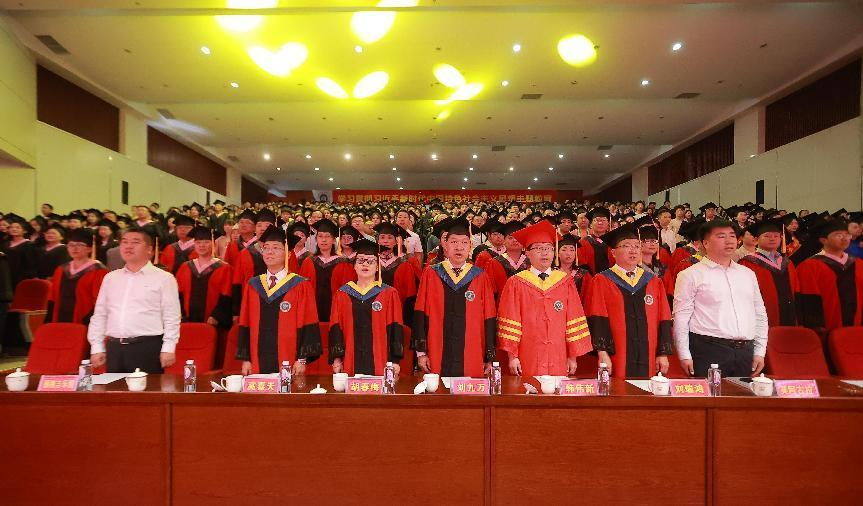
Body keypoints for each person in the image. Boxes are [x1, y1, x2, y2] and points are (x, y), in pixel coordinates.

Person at [672, 220, 768, 378]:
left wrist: (759, 351)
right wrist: (684, 354)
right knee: (711, 394)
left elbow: (760, 313)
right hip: (708, 349)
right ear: (706, 243)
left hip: (745, 351)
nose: (729, 241)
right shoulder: (690, 274)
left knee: (742, 394)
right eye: (721, 236)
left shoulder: (747, 274)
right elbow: (681, 317)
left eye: (732, 236)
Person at [497, 220, 592, 376]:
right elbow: (510, 320)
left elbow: (574, 319)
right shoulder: (515, 282)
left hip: (559, 355)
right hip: (527, 354)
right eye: (538, 248)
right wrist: (512, 357)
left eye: (548, 248)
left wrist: (572, 357)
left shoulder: (565, 281)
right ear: (527, 253)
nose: (544, 253)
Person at [87, 227, 181, 373]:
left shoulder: (164, 278)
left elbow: (171, 316)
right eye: (124, 242)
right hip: (114, 347)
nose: (128, 246)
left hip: (146, 347)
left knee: (147, 388)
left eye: (135, 242)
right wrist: (97, 346)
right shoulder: (111, 278)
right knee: (114, 388)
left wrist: (169, 348)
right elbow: (100, 314)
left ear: (149, 249)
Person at [413, 218, 497, 377]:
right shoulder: (431, 273)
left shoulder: (480, 276)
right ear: (445, 244)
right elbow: (420, 313)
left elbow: (489, 317)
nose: (459, 247)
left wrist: (489, 356)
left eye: (464, 242)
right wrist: (421, 352)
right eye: (454, 242)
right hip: (437, 350)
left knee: (469, 390)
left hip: (472, 352)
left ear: (470, 246)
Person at [586, 224, 673, 378]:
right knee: (618, 390)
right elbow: (597, 318)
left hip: (649, 355)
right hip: (616, 356)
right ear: (613, 252)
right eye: (626, 246)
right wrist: (602, 352)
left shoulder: (653, 281)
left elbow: (664, 318)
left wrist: (662, 353)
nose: (633, 250)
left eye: (637, 246)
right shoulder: (601, 280)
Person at [236, 225, 321, 375]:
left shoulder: (300, 285)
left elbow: (308, 323)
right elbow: (245, 322)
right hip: (257, 361)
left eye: (275, 248)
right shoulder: (253, 285)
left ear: (288, 254)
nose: (269, 252)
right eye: (266, 248)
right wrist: (246, 359)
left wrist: (301, 360)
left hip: (289, 361)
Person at [329, 239, 404, 376]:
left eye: (371, 261)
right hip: (350, 361)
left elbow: (396, 328)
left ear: (377, 267)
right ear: (354, 266)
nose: (365, 264)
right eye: (360, 261)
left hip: (380, 361)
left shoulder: (389, 293)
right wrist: (337, 358)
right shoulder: (342, 294)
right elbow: (336, 327)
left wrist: (395, 361)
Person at [796, 219, 863, 331]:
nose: (845, 238)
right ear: (823, 240)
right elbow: (808, 301)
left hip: (857, 330)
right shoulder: (809, 266)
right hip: (826, 330)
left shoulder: (858, 263)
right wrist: (816, 327)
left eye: (847, 235)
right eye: (838, 235)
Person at [738, 219, 800, 327]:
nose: (772, 239)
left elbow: (796, 289)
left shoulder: (787, 263)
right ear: (756, 240)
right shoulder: (747, 263)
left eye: (776, 236)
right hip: (762, 321)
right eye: (767, 236)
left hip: (791, 317)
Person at [45, 228, 107, 324]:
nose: (74, 248)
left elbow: (100, 302)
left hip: (85, 321)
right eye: (71, 245)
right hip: (60, 320)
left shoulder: (98, 271)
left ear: (90, 248)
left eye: (79, 245)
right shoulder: (61, 269)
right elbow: (52, 297)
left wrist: (89, 322)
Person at [175, 226, 233, 328]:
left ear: (213, 243)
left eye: (206, 242)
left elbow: (226, 296)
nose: (202, 245)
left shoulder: (224, 268)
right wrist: (181, 314)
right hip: (187, 321)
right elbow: (178, 294)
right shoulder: (185, 267)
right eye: (198, 242)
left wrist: (216, 316)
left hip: (212, 322)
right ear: (194, 244)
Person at [299, 219, 353, 322]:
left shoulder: (343, 263)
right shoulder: (308, 262)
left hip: (336, 313)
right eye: (320, 236)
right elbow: (302, 291)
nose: (323, 240)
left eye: (327, 236)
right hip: (312, 312)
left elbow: (348, 292)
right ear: (316, 239)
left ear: (333, 240)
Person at [486, 221, 529, 295]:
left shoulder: (531, 262)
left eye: (518, 237)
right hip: (502, 301)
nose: (515, 240)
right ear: (504, 241)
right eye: (510, 237)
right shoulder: (494, 263)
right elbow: (489, 291)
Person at [0, 219, 37, 290]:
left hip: (21, 277)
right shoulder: (5, 244)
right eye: (11, 227)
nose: (14, 229)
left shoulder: (29, 245)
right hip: (5, 277)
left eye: (17, 227)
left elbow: (31, 264)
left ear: (25, 231)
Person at [578, 207, 615, 274]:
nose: (600, 223)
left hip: (612, 278)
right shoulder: (582, 242)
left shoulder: (614, 242)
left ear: (608, 224)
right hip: (590, 278)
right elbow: (582, 265)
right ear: (591, 225)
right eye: (597, 220)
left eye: (603, 220)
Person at [556, 235, 591, 300]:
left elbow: (588, 298)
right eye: (564, 250)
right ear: (557, 253)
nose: (568, 253)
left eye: (572, 250)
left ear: (575, 253)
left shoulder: (583, 274)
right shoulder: (551, 273)